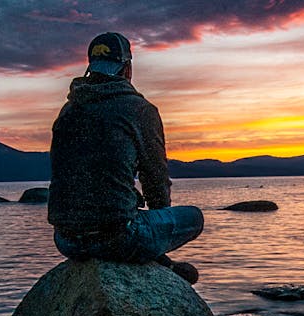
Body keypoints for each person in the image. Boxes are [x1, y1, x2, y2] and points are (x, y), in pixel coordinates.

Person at [47, 32, 203, 284]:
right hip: (118, 238)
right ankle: (158, 260)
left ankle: (154, 256)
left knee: (127, 209)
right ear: (127, 68)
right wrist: (157, 236)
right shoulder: (139, 110)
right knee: (194, 217)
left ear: (91, 67)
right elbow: (155, 179)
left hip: (66, 241)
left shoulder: (67, 111)